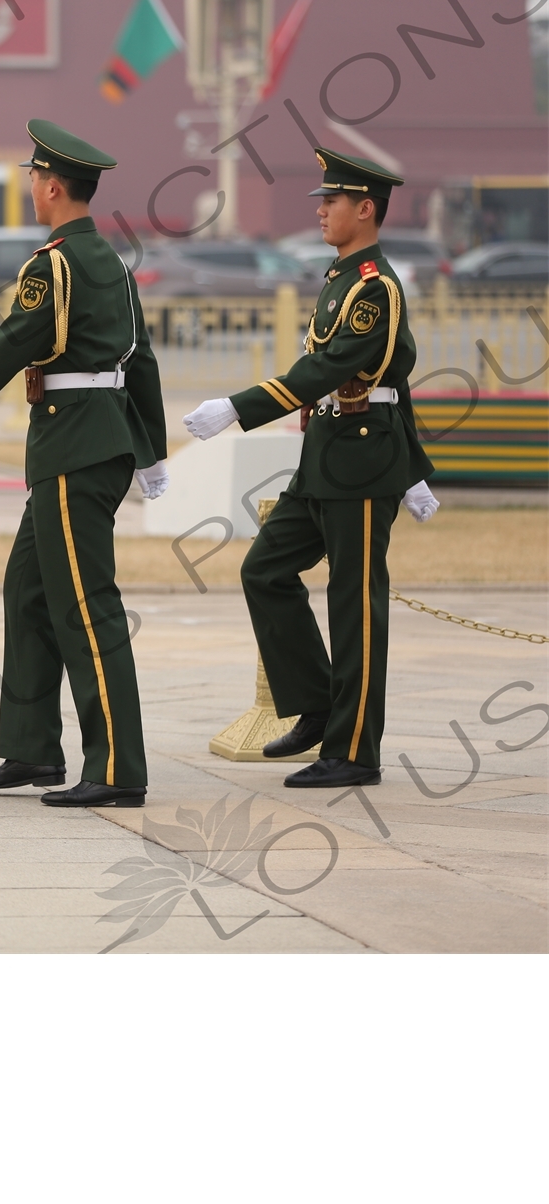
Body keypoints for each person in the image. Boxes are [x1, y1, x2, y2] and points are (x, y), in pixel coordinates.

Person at [0, 120, 168, 809]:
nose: (31, 190)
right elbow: (141, 360)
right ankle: (31, 747)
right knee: (29, 588)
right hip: (90, 444)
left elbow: (11, 346)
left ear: (51, 187)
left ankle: (116, 768)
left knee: (84, 604)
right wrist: (151, 451)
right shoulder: (111, 263)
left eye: (32, 180)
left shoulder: (55, 265)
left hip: (74, 447)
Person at [183, 147, 439, 788]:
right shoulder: (340, 280)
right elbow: (387, 376)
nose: (321, 210)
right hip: (329, 453)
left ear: (366, 209)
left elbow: (325, 372)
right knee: (265, 569)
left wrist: (239, 409)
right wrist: (413, 467)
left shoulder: (375, 289)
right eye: (321, 200)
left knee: (354, 603)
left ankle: (354, 750)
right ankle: (321, 707)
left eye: (332, 201)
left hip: (358, 459)